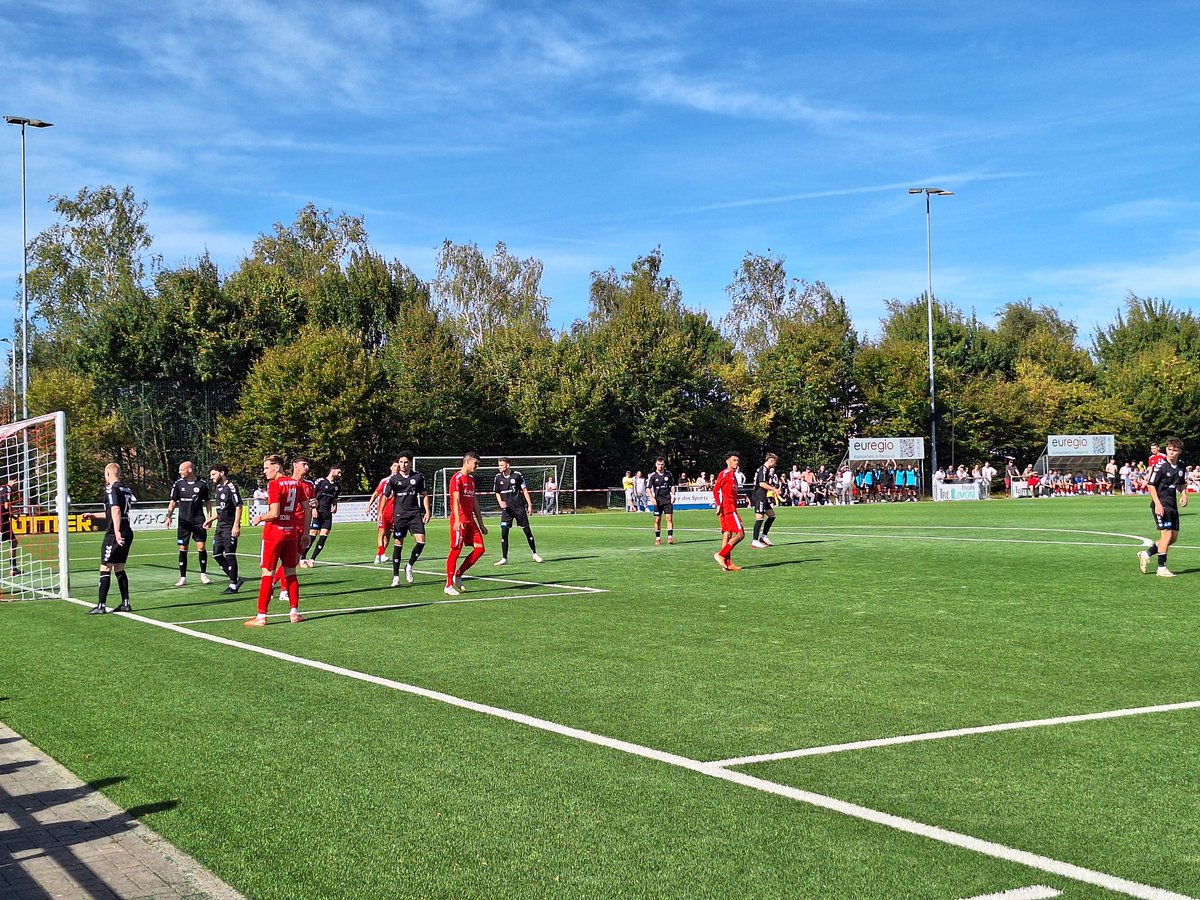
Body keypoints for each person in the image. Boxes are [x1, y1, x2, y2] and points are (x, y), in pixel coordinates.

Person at [246, 454, 311, 626]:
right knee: (291, 572)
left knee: (268, 572)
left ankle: (261, 616)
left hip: (274, 534)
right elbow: (308, 509)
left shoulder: (274, 485)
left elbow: (274, 513)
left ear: (277, 467)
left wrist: (259, 518)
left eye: (267, 468)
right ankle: (294, 612)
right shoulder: (296, 484)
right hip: (291, 533)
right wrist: (305, 533)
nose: (265, 471)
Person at [89, 463, 136, 615]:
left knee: (105, 567)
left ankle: (101, 605)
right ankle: (125, 603)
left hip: (115, 532)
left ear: (108, 474)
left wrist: (116, 531)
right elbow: (114, 512)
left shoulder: (111, 488)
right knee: (119, 567)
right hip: (127, 529)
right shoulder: (126, 489)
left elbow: (115, 509)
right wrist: (95, 516)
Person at [1138, 437, 1188, 578]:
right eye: (1169, 449)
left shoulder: (1181, 466)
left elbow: (1182, 483)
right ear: (1166, 449)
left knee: (1173, 538)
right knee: (1166, 534)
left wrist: (1184, 494)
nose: (1171, 452)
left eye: (1175, 450)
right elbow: (1151, 485)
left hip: (1172, 505)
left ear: (1180, 452)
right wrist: (1158, 504)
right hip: (1161, 505)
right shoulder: (1160, 466)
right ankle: (1161, 567)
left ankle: (1146, 554)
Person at [384, 452, 431, 587]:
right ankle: (396, 577)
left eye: (406, 462)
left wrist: (427, 511)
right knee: (398, 544)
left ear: (410, 463)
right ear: (398, 463)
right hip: (399, 515)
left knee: (421, 542)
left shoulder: (418, 477)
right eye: (401, 462)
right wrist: (381, 513)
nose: (403, 465)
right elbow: (385, 496)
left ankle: (409, 565)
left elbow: (424, 495)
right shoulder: (393, 479)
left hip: (415, 513)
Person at [164, 460, 213, 586]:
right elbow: (173, 501)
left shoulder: (202, 484)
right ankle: (183, 577)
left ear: (189, 470)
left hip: (198, 520)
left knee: (201, 547)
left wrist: (210, 517)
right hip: (183, 521)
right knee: (183, 548)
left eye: (182, 469)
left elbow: (208, 502)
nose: (180, 472)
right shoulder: (178, 484)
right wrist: (168, 516)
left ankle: (203, 574)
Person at [445, 451, 487, 596]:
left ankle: (459, 574)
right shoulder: (457, 478)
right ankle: (448, 584)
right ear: (467, 462)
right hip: (460, 521)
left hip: (471, 521)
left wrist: (481, 524)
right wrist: (457, 519)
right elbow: (455, 500)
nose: (477, 466)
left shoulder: (472, 480)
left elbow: (474, 502)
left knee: (480, 549)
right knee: (456, 550)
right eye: (475, 463)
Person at [204, 464, 246, 595]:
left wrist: (236, 525)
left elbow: (239, 506)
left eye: (213, 474)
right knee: (216, 554)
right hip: (220, 527)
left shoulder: (231, 487)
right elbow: (221, 509)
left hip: (229, 526)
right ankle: (236, 578)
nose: (211, 477)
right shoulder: (218, 488)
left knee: (229, 554)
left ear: (222, 473)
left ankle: (233, 584)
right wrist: (211, 519)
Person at [493, 457, 542, 566]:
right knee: (504, 532)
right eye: (499, 465)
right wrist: (500, 502)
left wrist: (529, 504)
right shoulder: (498, 478)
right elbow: (497, 492)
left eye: (501, 465)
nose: (499, 467)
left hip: (519, 508)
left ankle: (534, 553)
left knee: (527, 531)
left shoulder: (517, 475)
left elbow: (524, 490)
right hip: (507, 510)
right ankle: (504, 558)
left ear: (508, 465)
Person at [302, 464, 342, 567]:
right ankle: (302, 558)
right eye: (339, 472)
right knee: (312, 535)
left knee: (323, 537)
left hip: (327, 514)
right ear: (332, 470)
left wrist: (335, 506)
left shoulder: (337, 486)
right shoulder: (320, 481)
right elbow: (312, 496)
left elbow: (334, 498)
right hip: (318, 512)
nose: (340, 474)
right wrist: (314, 508)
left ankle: (312, 559)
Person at [712, 451, 745, 571]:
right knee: (740, 534)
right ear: (727, 461)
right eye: (734, 460)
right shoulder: (725, 473)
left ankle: (726, 563)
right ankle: (720, 555)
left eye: (737, 460)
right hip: (728, 508)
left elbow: (730, 493)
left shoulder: (733, 475)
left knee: (727, 533)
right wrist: (718, 504)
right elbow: (716, 489)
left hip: (729, 507)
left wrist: (742, 496)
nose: (736, 462)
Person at [371, 461, 400, 563]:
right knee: (382, 533)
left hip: (394, 513)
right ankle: (382, 554)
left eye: (398, 466)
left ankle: (379, 555)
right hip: (383, 512)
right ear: (391, 467)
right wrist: (369, 506)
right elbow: (376, 493)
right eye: (395, 466)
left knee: (388, 536)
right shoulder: (385, 481)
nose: (397, 468)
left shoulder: (401, 481)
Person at [750, 452, 780, 548]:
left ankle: (763, 537)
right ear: (771, 460)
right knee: (760, 518)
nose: (775, 464)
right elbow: (762, 483)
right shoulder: (763, 469)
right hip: (759, 496)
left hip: (763, 496)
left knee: (772, 515)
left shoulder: (765, 470)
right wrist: (774, 489)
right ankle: (754, 541)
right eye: (775, 462)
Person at [646, 457, 675, 545]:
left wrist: (673, 495)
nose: (660, 466)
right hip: (657, 501)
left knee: (669, 518)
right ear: (656, 465)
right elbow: (648, 488)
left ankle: (670, 537)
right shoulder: (653, 476)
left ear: (664, 465)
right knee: (657, 520)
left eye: (662, 464)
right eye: (659, 464)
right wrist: (652, 498)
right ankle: (658, 538)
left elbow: (672, 486)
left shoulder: (668, 474)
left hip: (667, 500)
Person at [0, 473, 21, 577]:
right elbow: (6, 505)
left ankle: (14, 568)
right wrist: (12, 514)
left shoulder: (1, 488)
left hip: (3, 520)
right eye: (16, 481)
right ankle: (12, 569)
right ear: (12, 481)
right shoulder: (7, 489)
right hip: (3, 522)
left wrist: (12, 517)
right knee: (13, 543)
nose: (16, 484)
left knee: (14, 542)